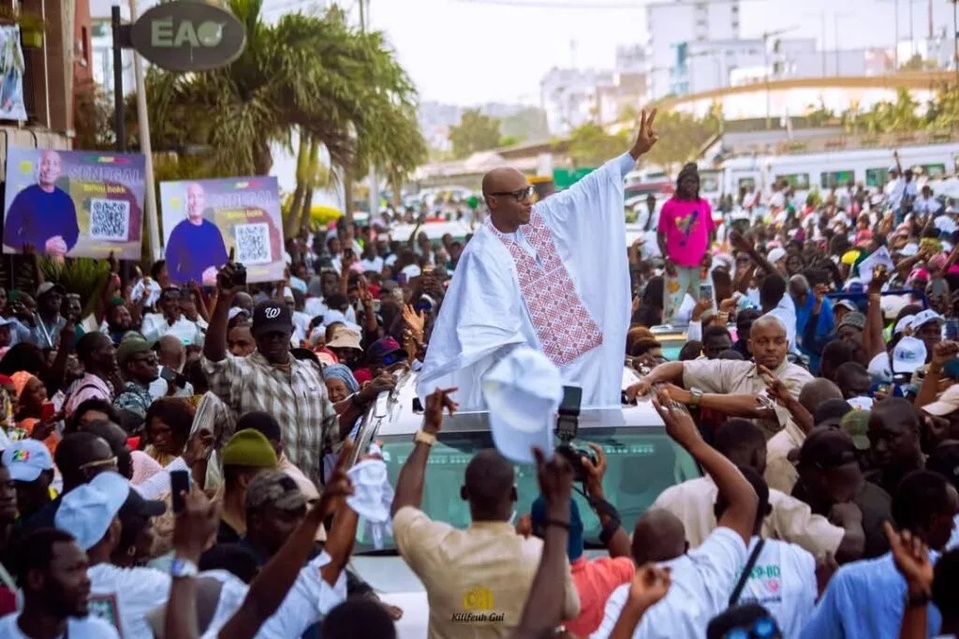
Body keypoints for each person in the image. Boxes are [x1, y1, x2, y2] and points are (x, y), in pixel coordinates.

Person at [417, 109, 659, 409]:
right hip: (534, 383)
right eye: (519, 195)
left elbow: (585, 191)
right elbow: (494, 332)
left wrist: (634, 153)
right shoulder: (483, 255)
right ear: (493, 201)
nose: (528, 201)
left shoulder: (541, 217)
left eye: (529, 192)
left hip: (585, 365)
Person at [0, 528, 120, 638]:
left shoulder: (98, 633)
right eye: (73, 570)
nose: (86, 580)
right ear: (36, 579)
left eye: (85, 569)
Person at [658, 163, 716, 323]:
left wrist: (709, 252)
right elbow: (660, 235)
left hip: (701, 268)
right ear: (680, 184)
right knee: (671, 309)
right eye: (687, 182)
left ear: (698, 185)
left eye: (694, 182)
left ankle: (710, 335)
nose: (690, 185)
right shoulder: (669, 207)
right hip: (676, 269)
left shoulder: (704, 205)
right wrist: (666, 258)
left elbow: (710, 231)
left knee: (709, 308)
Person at [3, 150, 79, 256]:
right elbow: (8, 236)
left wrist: (66, 245)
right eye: (46, 163)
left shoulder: (66, 200)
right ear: (38, 167)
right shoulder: (24, 197)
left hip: (58, 262)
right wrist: (43, 246)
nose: (50, 168)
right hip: (29, 261)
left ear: (59, 170)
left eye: (55, 164)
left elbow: (73, 232)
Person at [164, 182, 229, 285]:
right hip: (190, 293)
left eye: (199, 196)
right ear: (186, 201)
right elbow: (171, 275)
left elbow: (223, 264)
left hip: (215, 292)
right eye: (191, 197)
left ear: (204, 201)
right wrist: (200, 278)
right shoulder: (178, 233)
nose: (196, 202)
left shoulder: (213, 230)